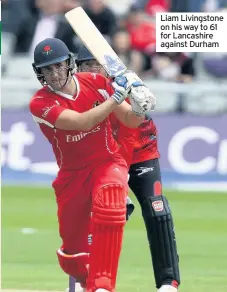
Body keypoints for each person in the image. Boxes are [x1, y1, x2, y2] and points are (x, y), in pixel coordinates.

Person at [29, 37, 153, 292]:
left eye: (59, 65)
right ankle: (86, 282)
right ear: (39, 73)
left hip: (107, 161)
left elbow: (130, 121)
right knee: (73, 257)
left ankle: (103, 286)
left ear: (69, 63)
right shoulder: (39, 103)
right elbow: (82, 122)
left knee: (111, 201)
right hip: (72, 176)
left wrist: (139, 107)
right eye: (47, 69)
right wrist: (118, 95)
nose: (54, 73)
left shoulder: (96, 82)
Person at [76, 45, 181, 292]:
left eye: (97, 65)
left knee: (157, 208)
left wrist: (139, 96)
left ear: (107, 68)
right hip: (107, 156)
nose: (92, 71)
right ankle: (91, 279)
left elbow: (133, 128)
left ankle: (168, 283)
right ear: (78, 70)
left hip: (141, 151)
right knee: (103, 211)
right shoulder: (76, 95)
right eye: (86, 66)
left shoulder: (123, 86)